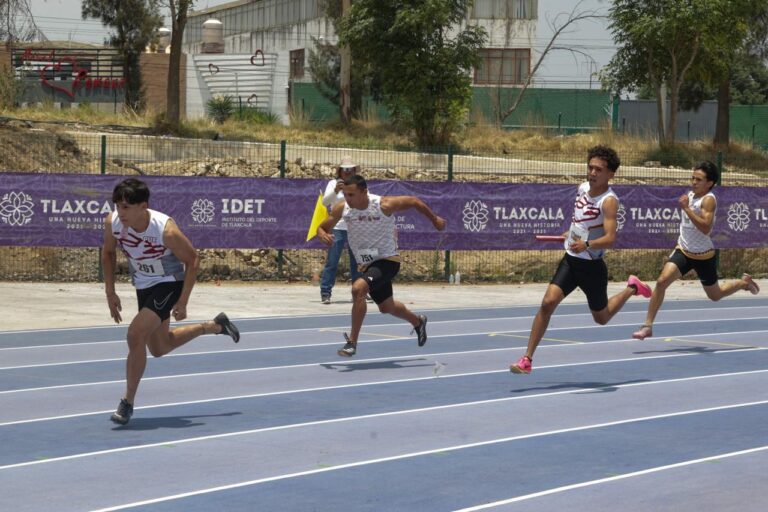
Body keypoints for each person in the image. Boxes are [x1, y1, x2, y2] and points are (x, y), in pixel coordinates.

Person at [102, 178, 240, 425]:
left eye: (126, 207)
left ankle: (127, 402)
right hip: (143, 284)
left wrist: (183, 300)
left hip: (169, 282)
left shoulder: (165, 230)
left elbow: (193, 260)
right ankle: (212, 326)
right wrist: (110, 292)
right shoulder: (113, 222)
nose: (119, 212)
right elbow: (108, 253)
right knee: (159, 347)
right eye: (117, 205)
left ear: (142, 206)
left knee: (135, 334)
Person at [510, 145, 652, 375]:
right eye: (590, 167)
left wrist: (586, 244)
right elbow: (580, 220)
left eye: (599, 169)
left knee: (602, 318)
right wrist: (571, 232)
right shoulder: (582, 188)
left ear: (611, 174)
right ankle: (527, 359)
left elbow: (610, 238)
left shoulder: (609, 201)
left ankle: (632, 287)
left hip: (592, 267)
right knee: (547, 303)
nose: (593, 173)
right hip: (571, 260)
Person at [317, 174, 446, 357]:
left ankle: (352, 342)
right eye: (345, 194)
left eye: (351, 195)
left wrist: (435, 220)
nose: (347, 199)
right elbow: (322, 227)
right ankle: (418, 322)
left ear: (364, 191)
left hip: (388, 260)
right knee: (387, 307)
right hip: (367, 265)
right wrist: (322, 234)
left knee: (358, 289)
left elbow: (414, 201)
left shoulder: (383, 205)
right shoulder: (343, 209)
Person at [632, 161, 760, 340]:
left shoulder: (709, 199)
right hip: (683, 251)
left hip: (703, 256)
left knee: (715, 295)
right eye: (692, 178)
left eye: (698, 179)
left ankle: (743, 283)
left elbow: (706, 228)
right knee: (661, 282)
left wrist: (685, 208)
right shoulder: (691, 195)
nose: (693, 182)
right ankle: (647, 326)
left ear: (710, 183)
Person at [319, 156, 363, 304]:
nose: (347, 172)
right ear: (340, 171)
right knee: (332, 261)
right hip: (337, 227)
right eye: (344, 169)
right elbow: (325, 202)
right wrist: (336, 190)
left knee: (357, 262)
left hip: (355, 227)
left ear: (354, 170)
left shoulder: (358, 184)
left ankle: (359, 291)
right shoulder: (333, 183)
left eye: (350, 169)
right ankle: (326, 292)